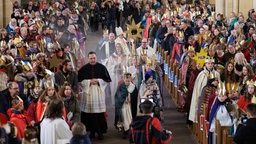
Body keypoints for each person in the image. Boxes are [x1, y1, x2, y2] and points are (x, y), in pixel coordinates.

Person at [78, 51, 111, 140]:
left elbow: (107, 80)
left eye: (94, 58)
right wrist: (89, 82)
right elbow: (80, 81)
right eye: (91, 58)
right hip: (88, 93)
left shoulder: (102, 67)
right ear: (88, 58)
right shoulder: (84, 69)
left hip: (98, 92)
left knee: (98, 114)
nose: (92, 60)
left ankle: (100, 132)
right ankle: (91, 132)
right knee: (89, 114)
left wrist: (99, 81)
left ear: (96, 58)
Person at [114, 72, 138, 138]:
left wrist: (131, 98)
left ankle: (129, 130)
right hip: (123, 105)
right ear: (124, 79)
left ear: (130, 80)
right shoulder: (121, 86)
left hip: (130, 106)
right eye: (126, 81)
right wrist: (123, 98)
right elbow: (117, 96)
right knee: (124, 118)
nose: (127, 82)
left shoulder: (133, 86)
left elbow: (135, 96)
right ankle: (125, 130)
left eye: (128, 81)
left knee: (130, 118)